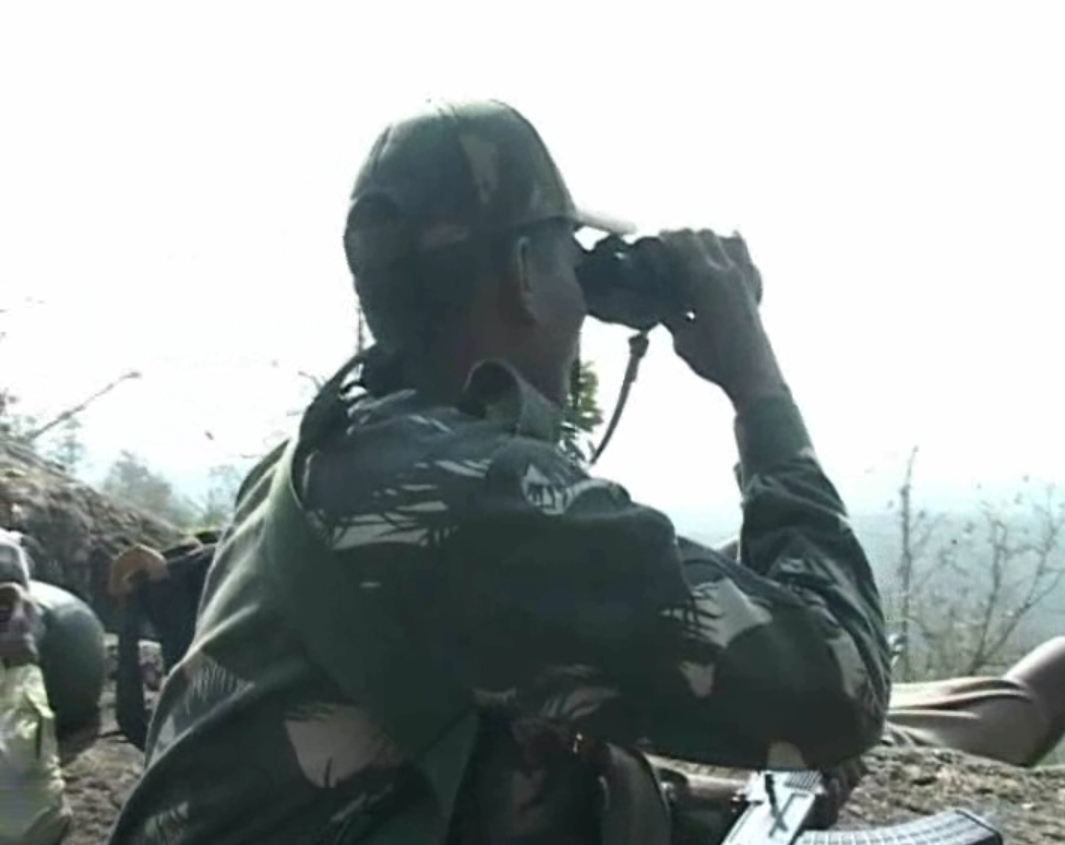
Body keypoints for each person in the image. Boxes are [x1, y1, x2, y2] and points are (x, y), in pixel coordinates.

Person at [106, 99, 890, 845]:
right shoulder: (473, 496)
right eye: (565, 261)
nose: (579, 302)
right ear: (521, 272)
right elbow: (837, 687)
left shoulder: (328, 453)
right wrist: (756, 384)